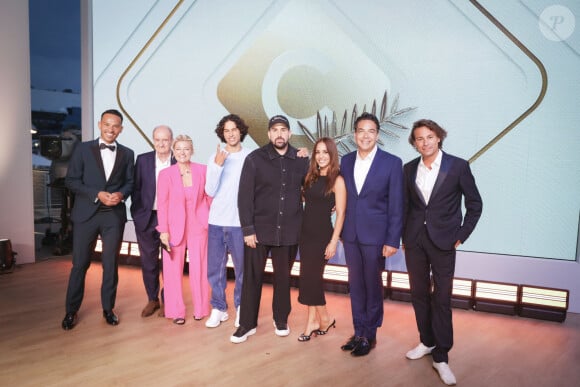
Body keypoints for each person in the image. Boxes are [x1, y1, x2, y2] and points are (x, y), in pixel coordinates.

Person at [403, 119, 482, 385]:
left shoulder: (458, 166)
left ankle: (441, 355)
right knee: (418, 294)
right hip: (414, 241)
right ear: (414, 143)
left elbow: (475, 204)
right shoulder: (408, 168)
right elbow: (406, 206)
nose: (424, 142)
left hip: (444, 242)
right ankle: (426, 341)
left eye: (429, 137)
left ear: (439, 138)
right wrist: (403, 236)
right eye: (419, 139)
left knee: (442, 298)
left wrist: (460, 237)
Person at [230, 114, 309, 343]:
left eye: (283, 130)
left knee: (283, 278)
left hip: (289, 230)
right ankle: (246, 324)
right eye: (275, 130)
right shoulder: (255, 159)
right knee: (251, 279)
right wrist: (247, 230)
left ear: (289, 134)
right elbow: (244, 197)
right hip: (259, 231)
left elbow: (312, 189)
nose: (279, 134)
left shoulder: (301, 159)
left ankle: (281, 318)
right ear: (268, 134)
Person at [61, 109, 135, 330]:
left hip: (113, 215)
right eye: (107, 124)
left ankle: (108, 309)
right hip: (86, 214)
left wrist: (121, 194)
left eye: (115, 126)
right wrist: (96, 194)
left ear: (121, 129)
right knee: (79, 264)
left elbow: (130, 182)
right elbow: (71, 182)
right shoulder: (83, 149)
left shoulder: (128, 153)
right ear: (99, 124)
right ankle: (71, 311)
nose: (111, 129)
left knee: (110, 265)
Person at [339, 112, 404, 356]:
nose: (366, 135)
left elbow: (397, 205)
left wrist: (392, 240)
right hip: (351, 236)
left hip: (376, 237)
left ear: (377, 135)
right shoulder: (345, 161)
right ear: (355, 135)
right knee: (355, 285)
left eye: (371, 131)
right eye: (361, 131)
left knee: (372, 285)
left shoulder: (391, 163)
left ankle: (370, 334)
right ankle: (358, 331)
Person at [156, 134, 212, 325]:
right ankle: (176, 311)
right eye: (178, 149)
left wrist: (211, 219)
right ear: (173, 151)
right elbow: (162, 205)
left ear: (192, 151)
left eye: (186, 149)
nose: (182, 152)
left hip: (199, 225)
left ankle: (201, 309)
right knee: (172, 271)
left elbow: (209, 197)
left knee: (200, 268)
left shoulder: (203, 170)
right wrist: (163, 230)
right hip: (173, 228)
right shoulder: (165, 174)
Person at [297, 137, 346, 342]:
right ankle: (324, 319)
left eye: (325, 152)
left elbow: (341, 213)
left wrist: (333, 241)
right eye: (318, 152)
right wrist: (300, 156)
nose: (321, 156)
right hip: (305, 234)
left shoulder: (338, 180)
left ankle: (312, 322)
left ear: (332, 155)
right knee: (308, 278)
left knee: (312, 279)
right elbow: (302, 199)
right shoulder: (310, 176)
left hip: (323, 236)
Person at [205, 114, 250, 328]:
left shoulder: (251, 157)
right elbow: (209, 190)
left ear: (241, 131)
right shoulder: (215, 157)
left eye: (234, 129)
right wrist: (217, 165)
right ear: (222, 134)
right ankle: (219, 308)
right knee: (215, 268)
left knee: (243, 269)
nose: (230, 133)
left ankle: (241, 307)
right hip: (216, 221)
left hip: (240, 223)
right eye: (226, 130)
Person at [130, 125, 175, 318]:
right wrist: (139, 212)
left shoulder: (179, 160)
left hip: (171, 221)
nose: (161, 143)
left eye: (165, 140)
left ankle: (168, 301)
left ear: (171, 141)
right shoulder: (142, 160)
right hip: (147, 218)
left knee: (169, 263)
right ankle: (152, 299)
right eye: (157, 139)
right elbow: (135, 189)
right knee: (148, 262)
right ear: (153, 140)